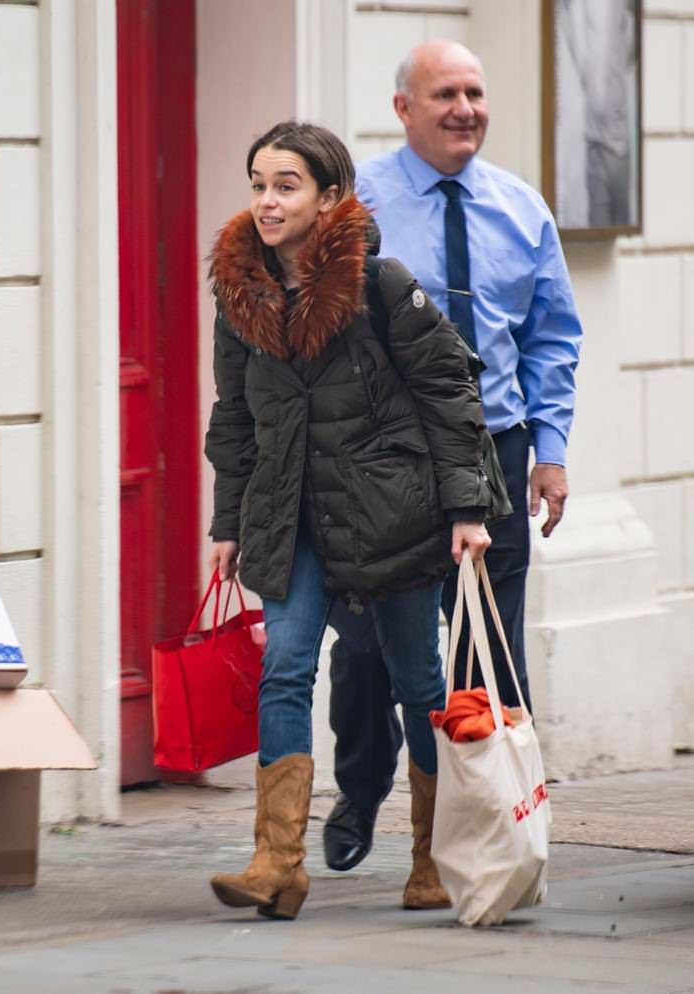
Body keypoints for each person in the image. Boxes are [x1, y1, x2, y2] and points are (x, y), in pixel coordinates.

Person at [204, 120, 510, 920]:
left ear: (329, 197)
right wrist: (228, 523)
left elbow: (450, 393)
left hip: (390, 514)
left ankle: (432, 857)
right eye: (259, 184)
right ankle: (277, 864)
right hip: (291, 513)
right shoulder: (239, 296)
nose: (268, 202)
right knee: (287, 666)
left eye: (286, 185)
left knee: (417, 683)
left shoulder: (381, 284)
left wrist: (467, 508)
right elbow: (234, 416)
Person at [323, 40, 582, 877]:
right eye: (445, 94)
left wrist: (551, 451)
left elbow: (551, 338)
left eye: (474, 91)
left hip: (495, 450)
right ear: (405, 109)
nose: (465, 108)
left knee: (486, 642)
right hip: (385, 459)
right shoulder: (357, 203)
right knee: (365, 643)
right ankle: (361, 786)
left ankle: (484, 833)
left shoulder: (520, 207)